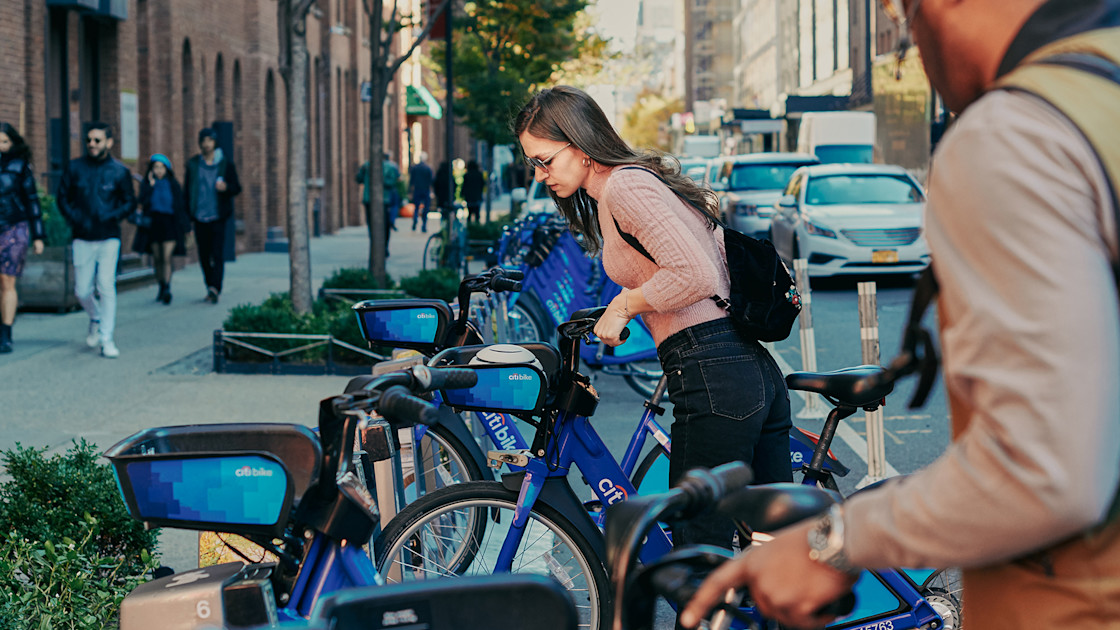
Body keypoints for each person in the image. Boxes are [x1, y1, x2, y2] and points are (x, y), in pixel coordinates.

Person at [680, 1, 1120, 629]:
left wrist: (832, 543)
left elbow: (1044, 470)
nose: (911, 42)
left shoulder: (1018, 132)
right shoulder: (1100, 90)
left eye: (902, 13)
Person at [514, 86, 793, 552]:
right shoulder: (625, 187)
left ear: (580, 146)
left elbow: (695, 275)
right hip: (741, 368)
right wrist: (623, 306)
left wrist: (626, 304)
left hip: (712, 372)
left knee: (699, 545)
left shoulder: (626, 186)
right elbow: (674, 269)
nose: (540, 175)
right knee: (773, 543)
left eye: (544, 160)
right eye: (533, 164)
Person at [57, 121, 136, 358]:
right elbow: (63, 198)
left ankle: (106, 338)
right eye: (89, 140)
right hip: (82, 236)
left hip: (108, 236)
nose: (92, 144)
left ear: (109, 143)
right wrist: (75, 219)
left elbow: (130, 202)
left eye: (97, 140)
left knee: (106, 286)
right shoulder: (74, 168)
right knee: (82, 290)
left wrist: (111, 216)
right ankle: (95, 316)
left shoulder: (120, 172)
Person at [0, 122, 45, 354]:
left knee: (7, 281)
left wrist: (38, 236)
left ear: (13, 143)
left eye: (4, 141)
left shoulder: (20, 166)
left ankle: (6, 332)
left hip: (13, 227)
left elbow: (32, 201)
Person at [184, 127, 242, 304]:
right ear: (200, 143)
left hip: (218, 216)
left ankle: (215, 287)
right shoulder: (193, 164)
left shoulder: (225, 164)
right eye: (203, 141)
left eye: (209, 140)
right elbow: (186, 192)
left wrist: (226, 188)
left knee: (217, 254)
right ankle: (209, 285)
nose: (206, 144)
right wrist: (187, 218)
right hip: (199, 217)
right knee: (203, 255)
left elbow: (236, 188)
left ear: (214, 142)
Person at [135, 154, 190, 304]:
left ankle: (167, 287)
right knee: (157, 258)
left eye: (161, 167)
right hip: (153, 224)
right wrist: (150, 187)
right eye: (155, 167)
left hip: (170, 224)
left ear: (167, 169)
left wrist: (186, 228)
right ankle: (161, 285)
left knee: (166, 257)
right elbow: (142, 202)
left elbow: (180, 207)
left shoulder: (173, 185)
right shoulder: (148, 185)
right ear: (151, 170)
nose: (159, 170)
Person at [409, 152, 434, 232]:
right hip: (426, 190)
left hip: (417, 189)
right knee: (426, 208)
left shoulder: (415, 168)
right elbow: (431, 180)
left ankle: (415, 219)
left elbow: (411, 180)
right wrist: (432, 191)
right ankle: (424, 225)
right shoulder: (428, 168)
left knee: (416, 207)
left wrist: (410, 191)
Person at [434, 160, 457, 225]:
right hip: (449, 197)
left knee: (443, 213)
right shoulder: (450, 175)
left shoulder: (439, 174)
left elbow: (436, 185)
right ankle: (449, 225)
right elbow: (454, 185)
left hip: (441, 197)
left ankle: (443, 226)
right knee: (449, 212)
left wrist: (437, 194)